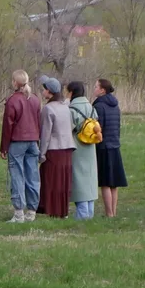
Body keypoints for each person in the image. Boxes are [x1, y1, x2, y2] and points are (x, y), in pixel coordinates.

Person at [0, 70, 42, 222]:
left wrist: (4, 147)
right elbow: (39, 122)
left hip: (17, 141)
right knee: (33, 176)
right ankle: (31, 211)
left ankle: (19, 213)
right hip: (33, 141)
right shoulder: (35, 100)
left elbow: (7, 126)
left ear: (14, 82)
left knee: (17, 175)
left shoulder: (12, 101)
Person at [39, 75, 74, 219]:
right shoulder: (65, 107)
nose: (42, 92)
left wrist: (41, 153)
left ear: (49, 92)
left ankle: (53, 209)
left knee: (51, 180)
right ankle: (62, 210)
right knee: (63, 180)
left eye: (44, 89)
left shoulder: (48, 109)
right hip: (67, 149)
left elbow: (45, 134)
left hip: (54, 150)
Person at [66, 80, 99, 220]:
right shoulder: (92, 108)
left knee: (79, 182)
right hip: (90, 149)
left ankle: (82, 215)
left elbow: (67, 130)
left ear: (71, 93)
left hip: (77, 150)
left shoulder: (72, 110)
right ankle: (90, 213)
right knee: (89, 181)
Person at [95, 78, 128, 217]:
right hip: (115, 144)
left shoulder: (99, 106)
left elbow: (97, 128)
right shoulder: (115, 105)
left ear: (103, 90)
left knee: (105, 182)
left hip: (104, 147)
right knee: (114, 183)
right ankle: (113, 212)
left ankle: (109, 213)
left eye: (96, 87)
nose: (94, 89)